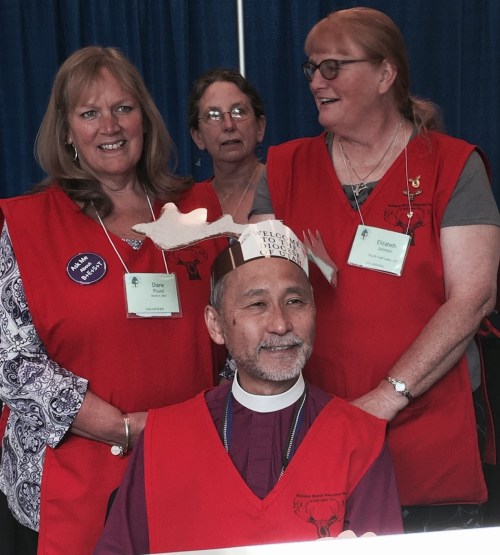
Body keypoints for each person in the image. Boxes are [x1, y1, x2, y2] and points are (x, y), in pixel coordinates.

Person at [250, 7, 500, 531]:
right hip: (314, 426)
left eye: (333, 67)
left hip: (428, 426)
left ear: (386, 74)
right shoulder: (285, 166)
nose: (317, 81)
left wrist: (384, 400)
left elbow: (473, 297)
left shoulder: (452, 165)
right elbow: (259, 290)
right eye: (311, 68)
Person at [0, 46, 225, 555]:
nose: (110, 125)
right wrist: (126, 427)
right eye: (89, 113)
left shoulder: (199, 209)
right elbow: (11, 361)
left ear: (144, 118)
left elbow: (235, 333)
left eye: (123, 108)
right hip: (69, 484)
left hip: (192, 462)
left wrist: (210, 427)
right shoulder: (28, 225)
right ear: (66, 133)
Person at [94, 220, 403, 554]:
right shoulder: (161, 438)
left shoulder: (360, 439)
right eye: (257, 304)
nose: (281, 324)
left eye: (295, 301)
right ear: (216, 324)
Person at [189, 68, 267, 223]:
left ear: (259, 127)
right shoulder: (190, 206)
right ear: (198, 137)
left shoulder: (285, 187)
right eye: (213, 115)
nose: (229, 125)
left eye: (239, 111)